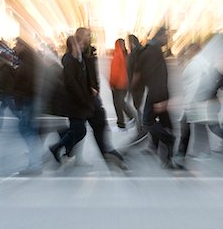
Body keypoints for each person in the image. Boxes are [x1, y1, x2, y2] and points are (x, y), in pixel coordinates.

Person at [74, 27, 127, 170]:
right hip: (82, 98)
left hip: (91, 97)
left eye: (89, 35)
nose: (88, 38)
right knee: (77, 130)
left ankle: (108, 153)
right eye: (86, 35)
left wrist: (96, 88)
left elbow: (94, 74)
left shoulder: (90, 52)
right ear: (79, 37)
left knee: (96, 126)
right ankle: (61, 149)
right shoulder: (75, 55)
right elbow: (75, 77)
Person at [132, 27, 182, 169]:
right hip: (157, 94)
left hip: (158, 93)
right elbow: (146, 76)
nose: (168, 39)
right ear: (159, 36)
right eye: (166, 36)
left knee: (159, 123)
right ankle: (166, 146)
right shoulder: (151, 52)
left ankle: (165, 150)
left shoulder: (154, 50)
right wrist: (161, 98)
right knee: (152, 122)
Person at [49, 36, 94, 165]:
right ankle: (57, 148)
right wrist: (83, 98)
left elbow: (82, 79)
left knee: (78, 131)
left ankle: (64, 151)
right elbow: (72, 83)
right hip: (74, 103)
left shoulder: (77, 60)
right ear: (72, 46)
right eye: (78, 44)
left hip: (79, 102)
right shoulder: (69, 60)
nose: (81, 46)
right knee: (79, 130)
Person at [13, 37, 43, 175]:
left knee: (27, 130)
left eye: (17, 45)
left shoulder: (28, 63)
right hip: (29, 100)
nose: (15, 47)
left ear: (23, 46)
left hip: (28, 101)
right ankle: (35, 162)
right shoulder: (30, 61)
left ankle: (35, 164)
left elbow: (26, 83)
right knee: (28, 129)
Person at [109, 38, 136, 131]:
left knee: (118, 104)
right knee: (121, 103)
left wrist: (112, 83)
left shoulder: (117, 56)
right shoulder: (126, 55)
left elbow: (114, 73)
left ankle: (122, 123)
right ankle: (130, 117)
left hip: (118, 85)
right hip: (125, 84)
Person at [0, 56, 18, 132]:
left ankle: (26, 123)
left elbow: (2, 83)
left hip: (9, 93)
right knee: (1, 110)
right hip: (8, 93)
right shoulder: (8, 68)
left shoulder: (5, 69)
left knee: (14, 111)